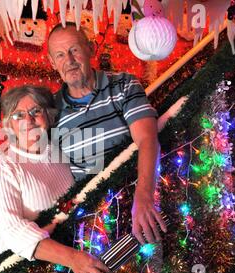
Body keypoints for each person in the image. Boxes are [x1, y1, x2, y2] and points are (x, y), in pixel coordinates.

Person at [0, 85, 112, 273]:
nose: (28, 120)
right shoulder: (5, 166)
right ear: (8, 125)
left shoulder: (58, 152)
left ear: (48, 117)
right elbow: (14, 232)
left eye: (36, 111)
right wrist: (73, 258)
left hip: (51, 268)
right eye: (18, 115)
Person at [47, 22, 167, 244]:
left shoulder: (123, 84)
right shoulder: (50, 111)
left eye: (74, 50)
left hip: (138, 200)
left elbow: (147, 139)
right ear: (53, 63)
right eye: (61, 55)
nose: (70, 61)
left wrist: (144, 197)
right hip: (93, 225)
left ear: (91, 49)